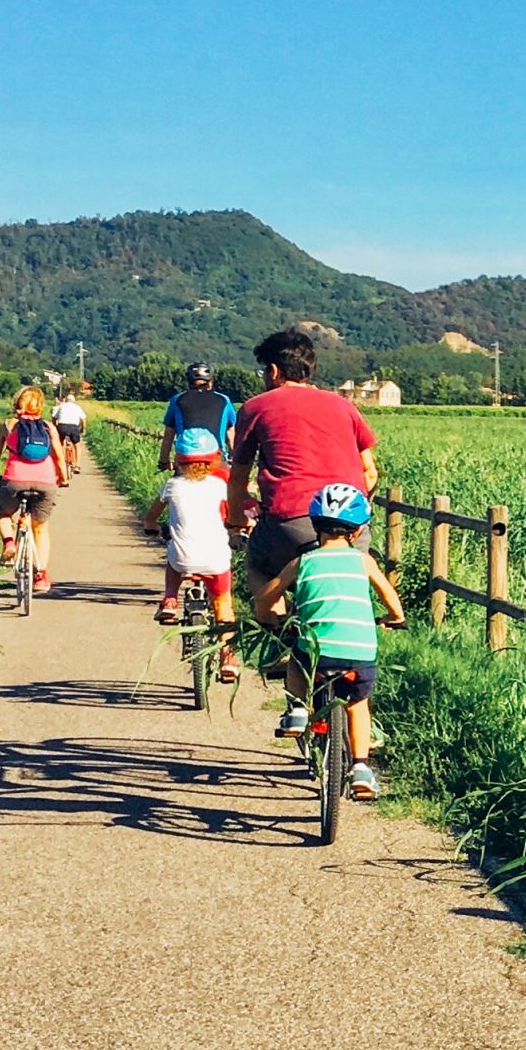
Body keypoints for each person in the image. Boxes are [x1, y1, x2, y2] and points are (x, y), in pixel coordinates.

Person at [252, 483, 406, 800]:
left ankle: (297, 710)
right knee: (359, 704)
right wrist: (394, 619)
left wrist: (266, 615)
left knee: (297, 656)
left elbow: (267, 596)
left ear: (314, 524)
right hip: (359, 651)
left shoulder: (303, 562)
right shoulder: (364, 561)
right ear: (358, 529)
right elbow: (391, 598)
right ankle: (361, 768)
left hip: (317, 652)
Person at [228, 329, 378, 604]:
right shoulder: (344, 406)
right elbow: (370, 472)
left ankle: (275, 629)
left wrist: (236, 521)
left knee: (259, 567)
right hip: (351, 528)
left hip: (290, 524)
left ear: (273, 371)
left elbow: (237, 478)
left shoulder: (256, 407)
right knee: (346, 592)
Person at [142, 429, 242, 680]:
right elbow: (234, 515)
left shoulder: (171, 486)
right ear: (215, 459)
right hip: (216, 561)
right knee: (223, 604)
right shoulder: (220, 486)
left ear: (178, 459)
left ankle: (170, 600)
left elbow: (151, 516)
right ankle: (227, 657)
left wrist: (150, 526)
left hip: (183, 559)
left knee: (173, 557)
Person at [0, 386, 72, 592]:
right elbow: (58, 456)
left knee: (3, 514)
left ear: (17, 403)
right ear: (40, 406)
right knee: (40, 528)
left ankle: (9, 543)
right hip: (45, 483)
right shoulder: (49, 427)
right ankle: (40, 575)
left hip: (14, 480)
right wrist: (64, 479)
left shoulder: (8, 425)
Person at [158, 363, 238, 477]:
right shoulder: (224, 400)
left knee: (176, 490)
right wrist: (234, 458)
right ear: (210, 382)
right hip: (216, 458)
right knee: (226, 491)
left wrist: (163, 462)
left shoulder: (177, 400)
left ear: (189, 382)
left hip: (186, 460)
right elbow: (231, 435)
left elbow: (168, 437)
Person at [53, 389, 88, 467]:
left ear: (66, 400)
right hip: (73, 427)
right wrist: (83, 429)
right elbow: (83, 419)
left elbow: (54, 417)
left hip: (62, 426)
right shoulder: (77, 407)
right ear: (74, 401)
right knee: (77, 446)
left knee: (61, 443)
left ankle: (61, 461)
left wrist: (55, 426)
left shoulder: (61, 406)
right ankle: (77, 465)